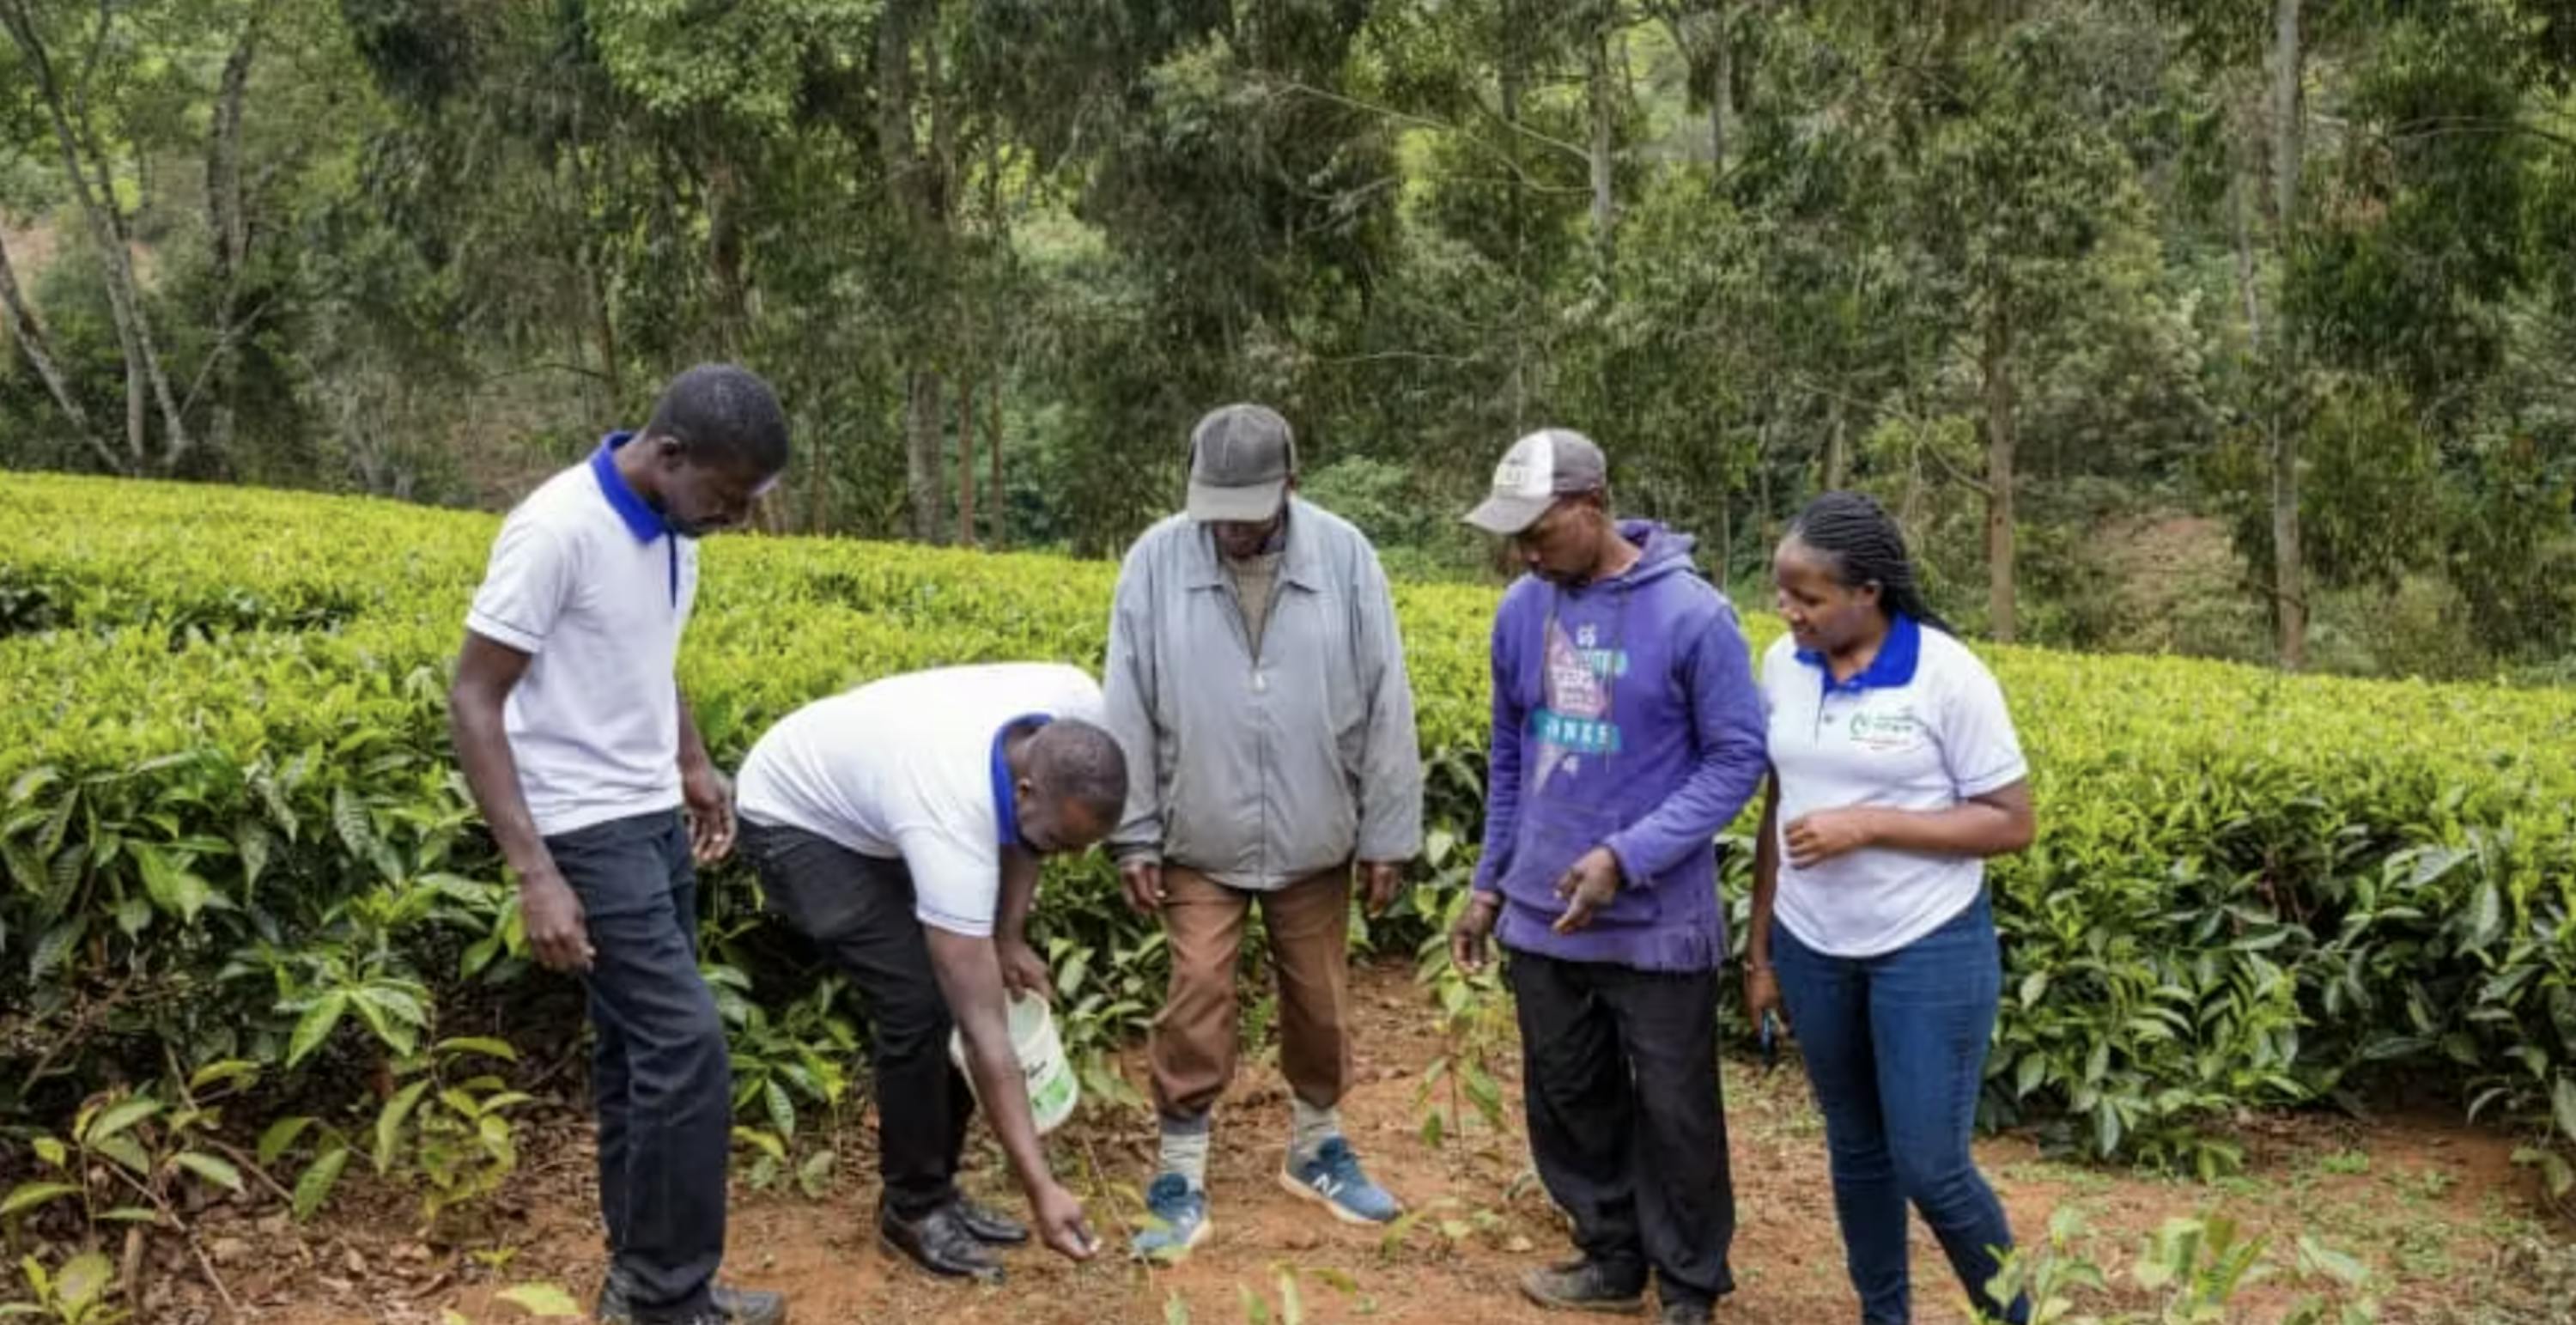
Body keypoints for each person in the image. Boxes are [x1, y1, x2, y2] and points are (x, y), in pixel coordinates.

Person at [448, 365, 790, 1325]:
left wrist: (692, 760)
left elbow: (652, 654)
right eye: (726, 499)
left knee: (639, 1055)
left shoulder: (675, 528)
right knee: (689, 1049)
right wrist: (535, 873)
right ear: (669, 455)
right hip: (580, 828)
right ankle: (668, 1293)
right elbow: (473, 699)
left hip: (647, 814)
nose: (732, 519)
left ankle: (649, 1282)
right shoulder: (556, 529)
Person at [1449, 428, 1766, 1325]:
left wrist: (1627, 855)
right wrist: (1490, 883)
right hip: (1543, 912)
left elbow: (1736, 761)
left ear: (1591, 507)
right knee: (1569, 1094)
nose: (1524, 551)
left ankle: (1691, 1283)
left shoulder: (1695, 617)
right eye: (1514, 537)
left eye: (1539, 530)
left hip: (1657, 921)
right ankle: (1611, 1254)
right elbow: (1512, 752)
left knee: (1676, 1111)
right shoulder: (1522, 608)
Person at [1103, 403, 1424, 1261]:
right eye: (1216, 511)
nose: (1231, 530)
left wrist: (1388, 830)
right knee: (1197, 990)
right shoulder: (1156, 559)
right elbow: (1126, 698)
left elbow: (1387, 693)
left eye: (1247, 512)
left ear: (1289, 484)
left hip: (1316, 830)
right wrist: (1133, 832)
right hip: (1196, 830)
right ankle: (1179, 1165)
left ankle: (1317, 1143)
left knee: (1320, 999)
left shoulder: (1347, 555)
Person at [1743, 491, 2037, 1325]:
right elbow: (1778, 808)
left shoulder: (1947, 674)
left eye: (1809, 596)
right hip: (1812, 944)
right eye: (1783, 592)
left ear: (1868, 591)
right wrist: (1761, 951)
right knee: (1857, 1148)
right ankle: (1884, 1315)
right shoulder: (1780, 666)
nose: (1788, 610)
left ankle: (2009, 1316)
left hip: (1927, 944)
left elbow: (2011, 821)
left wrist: (1870, 823)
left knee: (1931, 1164)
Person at [732, 663, 1122, 1284]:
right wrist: (1041, 1187)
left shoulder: (1077, 708)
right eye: (1058, 840)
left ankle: (938, 1187)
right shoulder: (951, 811)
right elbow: (983, 1031)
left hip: (884, 801)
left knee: (965, 976)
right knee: (921, 1000)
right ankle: (912, 1207)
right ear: (1023, 790)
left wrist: (1008, 934)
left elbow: (1030, 840)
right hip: (793, 819)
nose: (1067, 858)